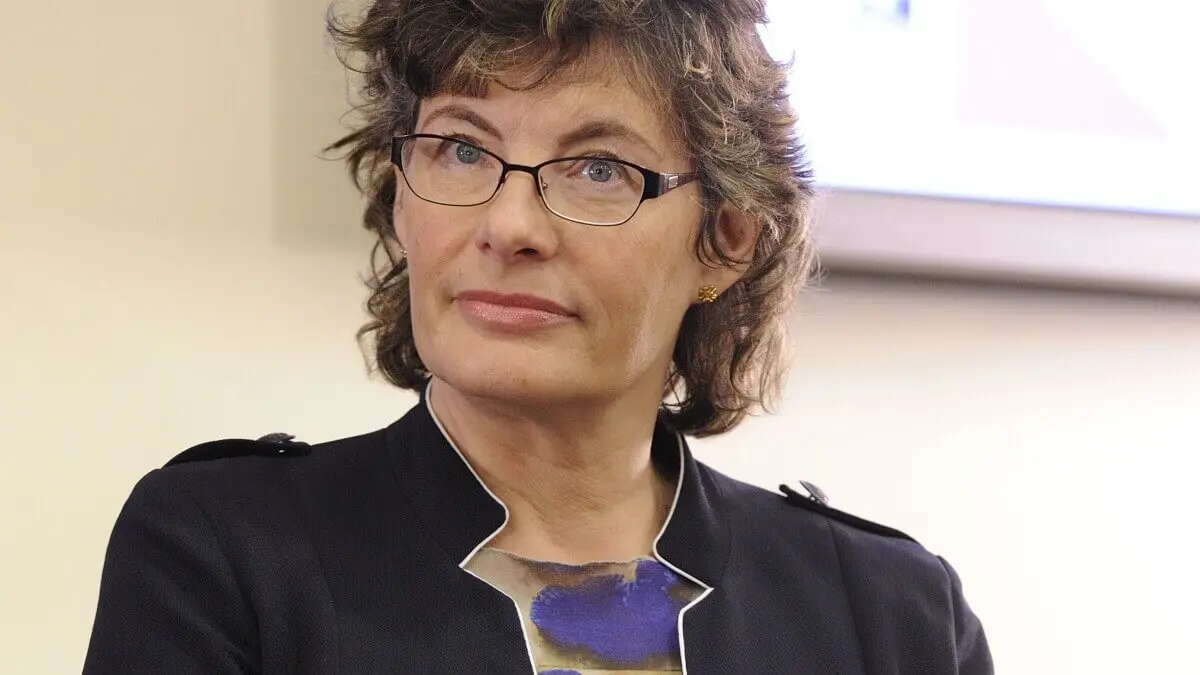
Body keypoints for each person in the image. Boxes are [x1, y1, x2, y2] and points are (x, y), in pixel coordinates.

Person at [84, 0, 992, 673]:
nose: (509, 224)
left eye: (598, 167)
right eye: (461, 149)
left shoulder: (891, 614)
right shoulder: (223, 552)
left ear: (725, 238)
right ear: (398, 197)